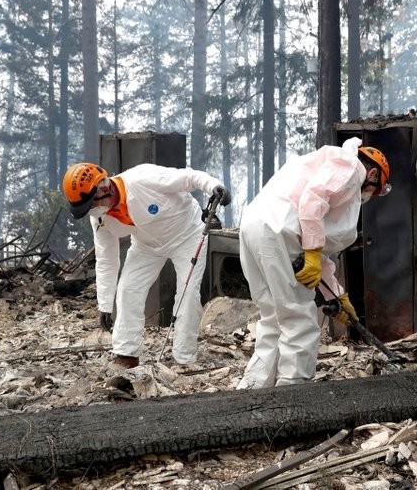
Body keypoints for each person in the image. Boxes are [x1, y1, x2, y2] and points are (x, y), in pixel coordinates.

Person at [237, 137, 391, 389]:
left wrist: (337, 297)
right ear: (372, 173)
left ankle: (254, 388)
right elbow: (312, 201)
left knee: (274, 315)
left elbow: (319, 253)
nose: (371, 196)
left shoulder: (328, 164)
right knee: (299, 318)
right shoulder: (352, 168)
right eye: (375, 190)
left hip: (256, 227)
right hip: (280, 234)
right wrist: (310, 253)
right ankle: (293, 393)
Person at [62, 162, 231, 368]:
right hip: (146, 245)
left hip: (188, 235)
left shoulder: (144, 178)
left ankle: (184, 358)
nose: (90, 211)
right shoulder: (99, 218)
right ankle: (126, 355)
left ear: (104, 188)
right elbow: (106, 259)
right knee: (127, 289)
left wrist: (214, 185)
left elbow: (189, 177)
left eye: (90, 205)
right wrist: (105, 304)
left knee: (187, 295)